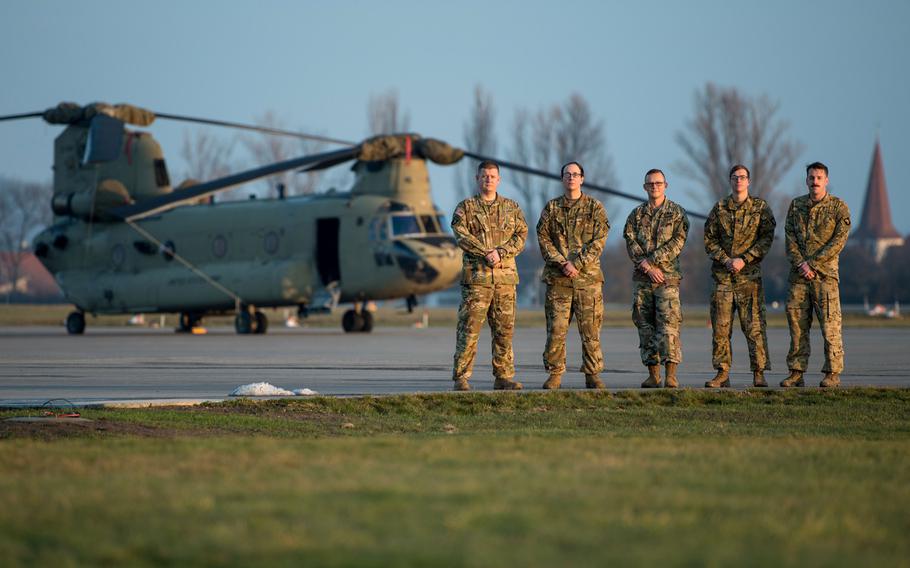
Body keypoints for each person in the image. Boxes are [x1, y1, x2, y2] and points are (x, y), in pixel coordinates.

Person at [450, 160, 528, 391]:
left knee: (504, 331)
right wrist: (486, 253)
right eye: (484, 176)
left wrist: (501, 252)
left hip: (505, 280)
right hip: (477, 281)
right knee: (469, 330)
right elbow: (460, 234)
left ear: (499, 180)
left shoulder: (511, 207)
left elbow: (521, 235)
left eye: (492, 176)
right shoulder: (465, 208)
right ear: (477, 178)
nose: (488, 180)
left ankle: (503, 376)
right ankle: (461, 378)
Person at [537, 161, 610, 389]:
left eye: (575, 174)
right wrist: (562, 263)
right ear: (562, 179)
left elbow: (599, 241)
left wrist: (576, 263)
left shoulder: (595, 207)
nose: (571, 178)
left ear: (582, 178)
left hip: (587, 281)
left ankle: (592, 374)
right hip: (558, 280)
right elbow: (543, 238)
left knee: (590, 330)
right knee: (556, 330)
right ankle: (555, 373)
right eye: (567, 174)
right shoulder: (551, 208)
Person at [703, 165, 777, 388]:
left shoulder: (761, 208)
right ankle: (722, 372)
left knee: (754, 327)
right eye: (735, 178)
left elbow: (766, 239)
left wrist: (744, 259)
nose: (738, 181)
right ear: (730, 181)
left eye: (742, 177)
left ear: (749, 181)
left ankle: (759, 372)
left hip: (749, 279)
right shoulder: (719, 208)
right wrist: (726, 260)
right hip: (723, 278)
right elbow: (709, 240)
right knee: (721, 328)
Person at [781, 162, 851, 388]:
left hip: (825, 278)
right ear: (806, 180)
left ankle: (832, 373)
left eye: (819, 177)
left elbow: (838, 241)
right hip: (799, 277)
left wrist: (813, 264)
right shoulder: (796, 206)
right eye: (811, 177)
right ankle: (796, 372)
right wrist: (802, 264)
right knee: (797, 327)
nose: (815, 181)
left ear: (826, 180)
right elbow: (789, 237)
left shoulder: (838, 207)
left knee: (830, 326)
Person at [623, 169, 690, 388]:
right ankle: (653, 374)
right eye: (650, 184)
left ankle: (670, 374)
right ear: (644, 187)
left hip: (667, 279)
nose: (654, 187)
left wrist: (651, 262)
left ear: (666, 185)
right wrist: (645, 266)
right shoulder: (635, 215)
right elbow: (630, 242)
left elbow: (677, 243)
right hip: (643, 280)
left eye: (658, 183)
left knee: (669, 326)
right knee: (645, 326)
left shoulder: (677, 213)